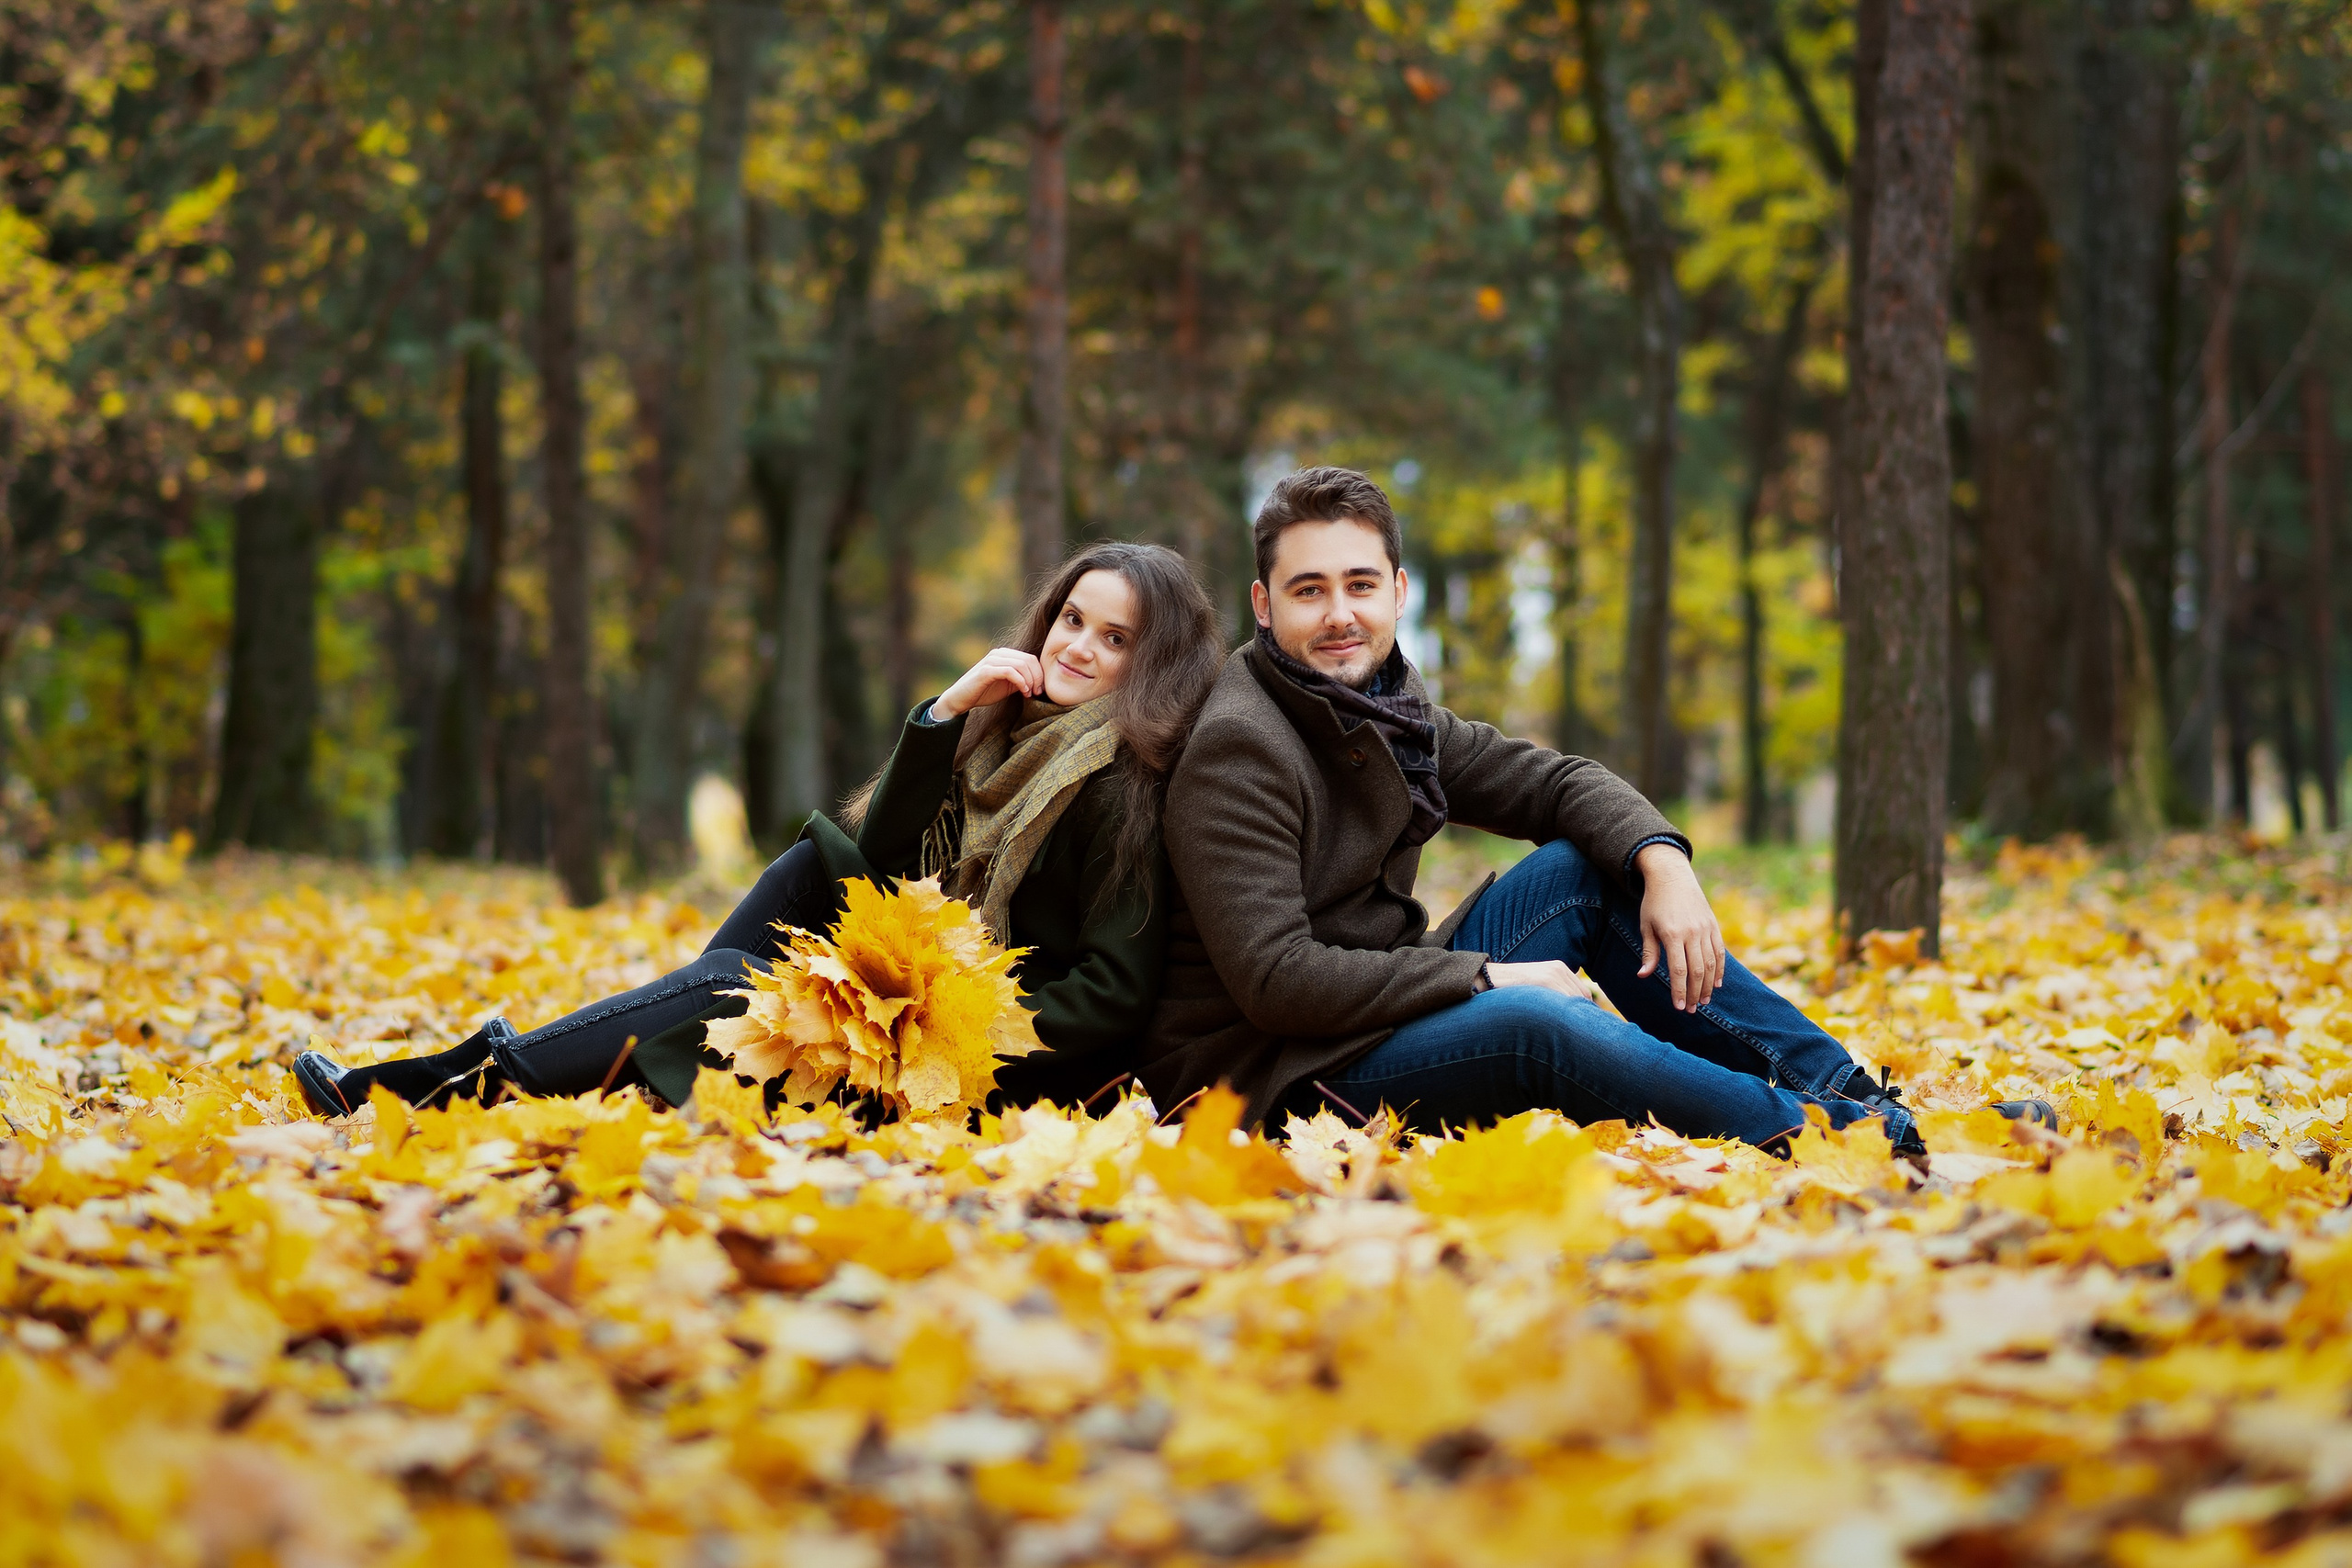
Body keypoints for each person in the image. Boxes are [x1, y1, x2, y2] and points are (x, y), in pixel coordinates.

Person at [1138, 467, 2050, 1156]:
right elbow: (1277, 979)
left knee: (1585, 871)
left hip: (1370, 1007)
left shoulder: (1385, 709)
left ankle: (1865, 1102)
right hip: (1277, 1078)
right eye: (1309, 590)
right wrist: (1491, 979)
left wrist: (1661, 858)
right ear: (1263, 606)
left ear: (1398, 591)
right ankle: (1848, 1142)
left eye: (1359, 584)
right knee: (1544, 1023)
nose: (1340, 613)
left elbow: (1553, 783)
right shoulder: (1243, 743)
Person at [295, 540, 1222, 1118]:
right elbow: (896, 856)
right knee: (806, 872)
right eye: (1071, 619)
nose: (1078, 647)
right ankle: (569, 1062)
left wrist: (943, 1027)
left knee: (731, 983)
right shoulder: (1007, 739)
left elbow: (1110, 996)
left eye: (1115, 640)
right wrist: (944, 711)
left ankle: (448, 1081)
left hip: (981, 1059)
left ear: (1153, 665)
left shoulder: (1121, 787)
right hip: (915, 992)